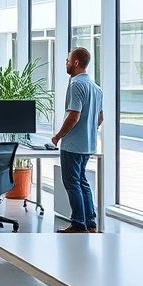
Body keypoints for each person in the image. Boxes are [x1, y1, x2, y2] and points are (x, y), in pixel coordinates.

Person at [52, 47, 103, 234]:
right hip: (88, 143)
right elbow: (100, 118)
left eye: (67, 60)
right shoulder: (96, 88)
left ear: (75, 63)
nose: (65, 63)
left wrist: (58, 136)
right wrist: (89, 129)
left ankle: (78, 224)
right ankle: (91, 223)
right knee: (82, 182)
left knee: (72, 183)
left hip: (72, 145)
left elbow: (74, 116)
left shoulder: (76, 85)